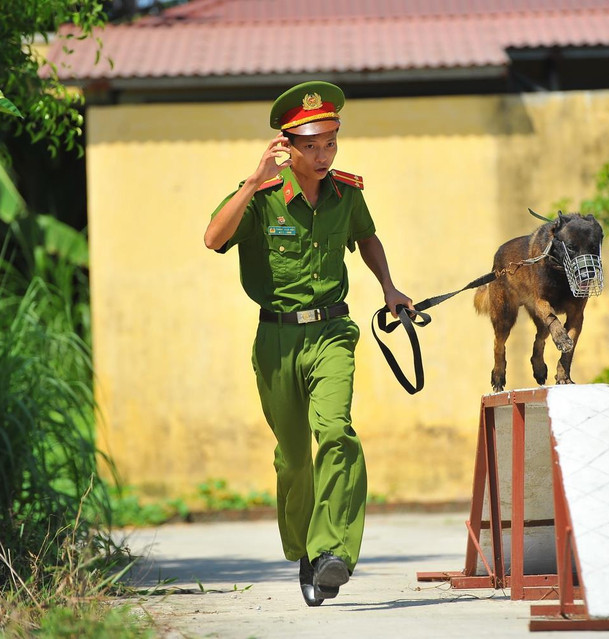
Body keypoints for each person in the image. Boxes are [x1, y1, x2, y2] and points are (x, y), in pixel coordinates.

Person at [203, 81, 412, 606]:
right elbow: (212, 239)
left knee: (337, 433)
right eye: (312, 146)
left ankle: (331, 552)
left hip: (332, 333)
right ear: (286, 146)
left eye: (331, 144)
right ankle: (304, 548)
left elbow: (366, 237)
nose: (324, 156)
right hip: (275, 338)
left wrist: (389, 288)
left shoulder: (347, 192)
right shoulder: (261, 197)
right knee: (294, 459)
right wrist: (253, 182)